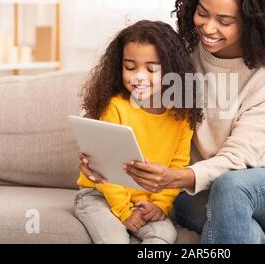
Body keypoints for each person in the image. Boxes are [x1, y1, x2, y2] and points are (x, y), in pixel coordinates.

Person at [80, 0, 265, 244]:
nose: (207, 27)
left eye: (224, 21)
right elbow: (120, 98)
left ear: (250, 22)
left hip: (260, 184)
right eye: (202, 13)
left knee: (230, 188)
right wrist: (96, 151)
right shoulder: (181, 57)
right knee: (233, 223)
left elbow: (236, 158)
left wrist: (172, 177)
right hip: (195, 192)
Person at [74, 20, 203, 244]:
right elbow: (106, 168)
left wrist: (160, 205)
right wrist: (124, 211)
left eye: (151, 69)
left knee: (164, 236)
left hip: (147, 201)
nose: (139, 76)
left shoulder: (182, 115)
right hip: (100, 196)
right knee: (114, 240)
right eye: (130, 67)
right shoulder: (114, 107)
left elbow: (177, 165)